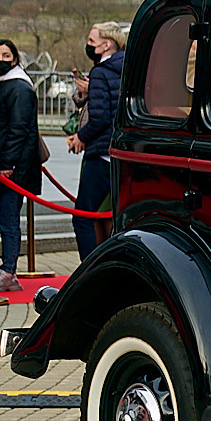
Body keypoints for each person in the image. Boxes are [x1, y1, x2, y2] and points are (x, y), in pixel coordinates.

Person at [0, 40, 42, 290]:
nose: (0, 59)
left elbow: (18, 129)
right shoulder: (0, 86)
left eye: (5, 55)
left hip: (11, 170)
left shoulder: (18, 88)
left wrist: (7, 164)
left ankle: (8, 271)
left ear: (15, 59)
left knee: (7, 221)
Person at [69, 23, 125, 259]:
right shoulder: (126, 67)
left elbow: (101, 116)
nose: (89, 46)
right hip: (118, 152)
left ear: (106, 44)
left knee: (83, 218)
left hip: (101, 153)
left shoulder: (101, 72)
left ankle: (88, 269)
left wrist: (81, 136)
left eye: (92, 41)